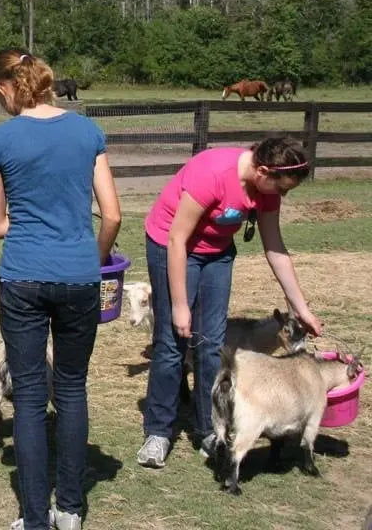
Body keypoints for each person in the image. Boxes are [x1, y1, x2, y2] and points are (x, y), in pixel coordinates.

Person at [0, 49, 121, 530]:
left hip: (22, 275)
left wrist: (29, 217)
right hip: (79, 275)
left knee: (31, 394)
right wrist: (95, 257)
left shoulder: (0, 140)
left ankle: (35, 516)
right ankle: (72, 509)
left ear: (6, 87)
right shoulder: (88, 132)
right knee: (73, 387)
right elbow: (114, 214)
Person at [136, 137, 324, 470]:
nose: (282, 196)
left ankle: (209, 428)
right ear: (263, 171)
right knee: (172, 341)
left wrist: (301, 309)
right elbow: (177, 239)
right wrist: (180, 305)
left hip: (216, 253)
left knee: (212, 344)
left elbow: (275, 248)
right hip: (172, 246)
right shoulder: (214, 173)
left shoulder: (264, 191)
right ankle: (158, 432)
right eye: (281, 189)